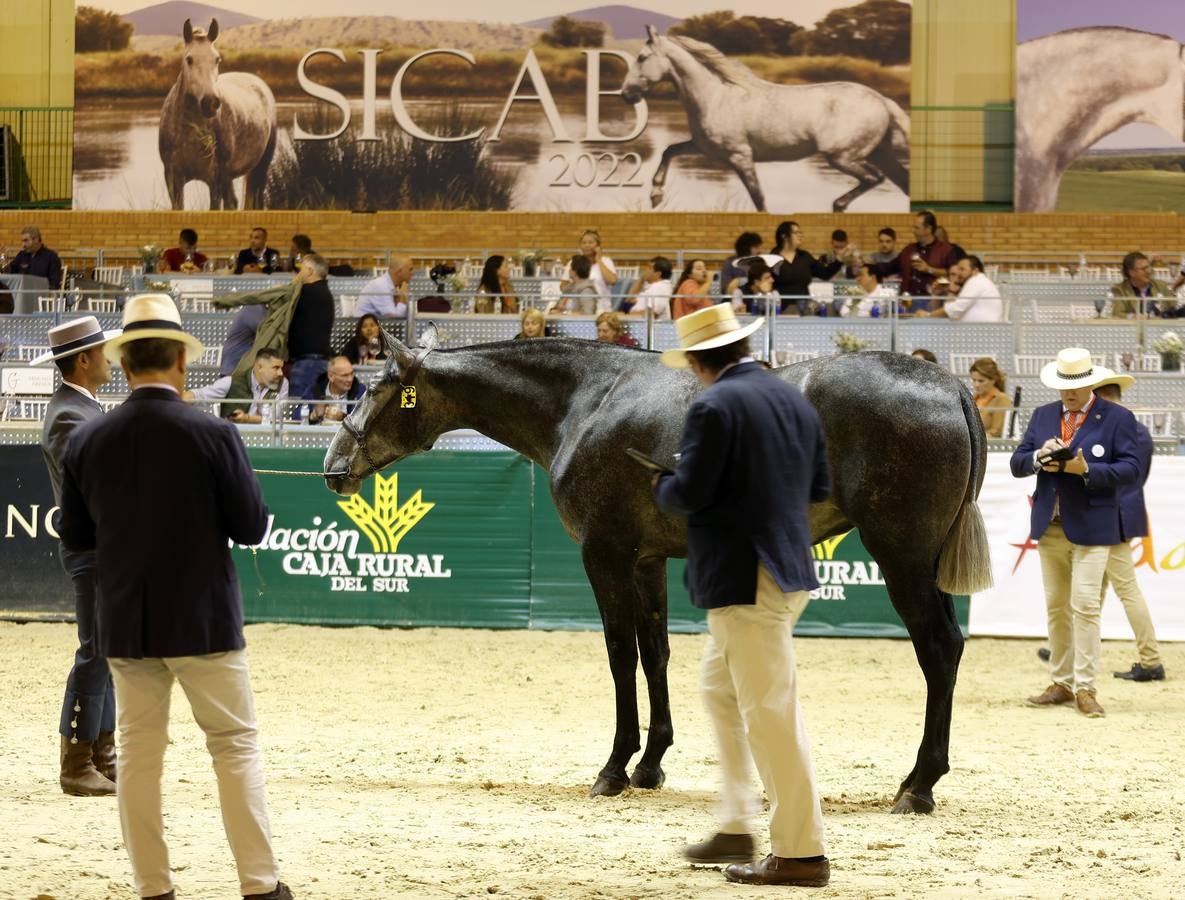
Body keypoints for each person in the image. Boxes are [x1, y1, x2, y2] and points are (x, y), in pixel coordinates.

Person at [57, 293, 293, 900]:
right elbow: (251, 527)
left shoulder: (88, 440)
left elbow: (79, 536)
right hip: (205, 621)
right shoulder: (213, 433)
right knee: (234, 746)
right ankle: (260, 886)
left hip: (129, 624)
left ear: (126, 363)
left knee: (139, 754)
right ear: (181, 364)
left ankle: (154, 889)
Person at [654, 302, 831, 888]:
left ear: (700, 362)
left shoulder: (712, 404)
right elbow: (819, 486)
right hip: (784, 563)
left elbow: (690, 494)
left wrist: (665, 481)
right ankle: (735, 820)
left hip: (744, 574)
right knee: (722, 692)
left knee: (770, 712)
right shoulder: (791, 398)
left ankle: (802, 851)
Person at [1011, 348, 1142, 718]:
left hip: (1093, 525)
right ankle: (1061, 682)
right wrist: (1039, 456)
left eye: (1075, 387)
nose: (1067, 394)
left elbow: (1131, 469)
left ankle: (1085, 686)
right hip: (1050, 526)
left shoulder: (1118, 418)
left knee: (1084, 606)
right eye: (1063, 387)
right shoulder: (1042, 416)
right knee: (1056, 606)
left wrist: (1087, 470)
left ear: (1090, 383)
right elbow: (1017, 462)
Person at [30, 317, 121, 797]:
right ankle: (77, 762)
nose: (109, 359)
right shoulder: (70, 415)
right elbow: (94, 487)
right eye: (102, 352)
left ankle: (102, 758)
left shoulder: (81, 408)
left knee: (105, 653)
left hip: (102, 546)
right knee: (94, 653)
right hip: (95, 547)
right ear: (84, 360)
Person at [1090, 372, 1165, 682]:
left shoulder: (1107, 429)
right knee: (1095, 589)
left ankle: (1151, 660)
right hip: (1127, 511)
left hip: (1109, 515)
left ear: (1103, 397)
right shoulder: (1141, 431)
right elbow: (1138, 475)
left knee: (1125, 588)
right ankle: (1067, 646)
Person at [215, 255, 334, 405]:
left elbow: (278, 303)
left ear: (309, 271)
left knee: (300, 411)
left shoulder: (303, 292)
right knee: (312, 410)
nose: (297, 275)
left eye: (300, 270)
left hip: (305, 365)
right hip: (321, 362)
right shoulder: (325, 294)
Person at [870, 211, 957, 309]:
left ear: (928, 229)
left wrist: (929, 269)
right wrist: (867, 264)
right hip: (906, 301)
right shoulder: (909, 250)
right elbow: (889, 267)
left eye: (917, 228)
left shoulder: (946, 250)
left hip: (933, 302)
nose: (913, 231)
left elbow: (953, 274)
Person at [186, 347, 289, 425]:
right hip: (234, 438)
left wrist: (247, 419)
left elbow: (275, 418)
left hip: (268, 439)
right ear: (260, 367)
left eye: (281, 368)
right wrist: (174, 399)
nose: (281, 373)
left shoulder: (282, 383)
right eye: (276, 368)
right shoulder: (231, 382)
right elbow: (199, 395)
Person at [769, 221, 844, 314]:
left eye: (801, 233)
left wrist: (840, 258)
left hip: (803, 309)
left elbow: (825, 274)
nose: (800, 235)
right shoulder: (772, 258)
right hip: (779, 311)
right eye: (796, 233)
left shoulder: (805, 256)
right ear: (784, 236)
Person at [920, 256, 1004, 321]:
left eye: (962, 269)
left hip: (984, 334)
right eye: (958, 269)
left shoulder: (976, 282)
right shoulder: (976, 281)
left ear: (975, 271)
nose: (959, 273)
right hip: (979, 332)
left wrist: (928, 315)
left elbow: (956, 308)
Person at [560, 229, 617, 312]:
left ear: (598, 245)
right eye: (584, 243)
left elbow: (612, 281)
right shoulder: (574, 262)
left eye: (590, 242)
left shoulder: (606, 261)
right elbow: (562, 287)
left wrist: (598, 260)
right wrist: (576, 283)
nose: (587, 245)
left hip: (602, 309)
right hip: (576, 309)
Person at [1110, 252, 1176, 318]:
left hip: (1161, 326)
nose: (1148, 271)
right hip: (1134, 327)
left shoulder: (1161, 285)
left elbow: (1174, 307)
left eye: (1148, 267)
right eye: (1143, 269)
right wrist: (1133, 317)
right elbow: (1117, 313)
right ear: (1131, 272)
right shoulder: (1119, 289)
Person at [309, 356, 364, 425]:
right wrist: (313, 416)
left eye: (352, 373)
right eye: (345, 375)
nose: (350, 379)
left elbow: (364, 422)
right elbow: (296, 416)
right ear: (331, 376)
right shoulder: (315, 388)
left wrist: (343, 417)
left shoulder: (361, 391)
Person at [969, 357, 1010, 438]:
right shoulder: (973, 398)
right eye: (973, 380)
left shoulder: (1001, 399)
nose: (976, 385)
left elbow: (997, 432)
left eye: (981, 381)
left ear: (993, 380)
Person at [628, 256, 674, 321]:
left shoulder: (660, 287)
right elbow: (629, 300)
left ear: (658, 274)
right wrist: (642, 279)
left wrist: (627, 316)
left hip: (649, 327)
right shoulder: (651, 285)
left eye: (649, 268)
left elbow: (651, 314)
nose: (645, 270)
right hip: (637, 322)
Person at [721, 232, 764, 296]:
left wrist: (739, 281)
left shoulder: (761, 263)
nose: (760, 251)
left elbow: (764, 285)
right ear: (746, 248)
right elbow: (726, 288)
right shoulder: (730, 262)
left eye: (760, 247)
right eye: (756, 247)